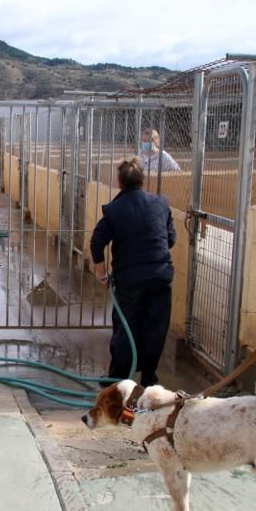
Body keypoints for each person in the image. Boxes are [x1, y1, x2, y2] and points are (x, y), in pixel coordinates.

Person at [90, 158, 176, 387]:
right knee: (155, 326)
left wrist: (102, 274)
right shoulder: (161, 203)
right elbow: (170, 239)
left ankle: (117, 379)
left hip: (130, 280)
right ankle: (149, 376)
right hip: (160, 275)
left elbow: (96, 243)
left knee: (126, 327)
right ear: (142, 180)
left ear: (120, 183)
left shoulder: (114, 210)